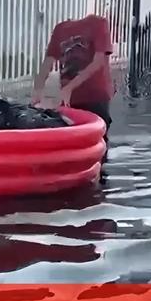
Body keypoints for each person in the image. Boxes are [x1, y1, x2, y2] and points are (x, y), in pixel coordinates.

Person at [31, 14, 114, 181]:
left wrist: (69, 87)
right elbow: (49, 61)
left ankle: (99, 181)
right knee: (74, 145)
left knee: (97, 145)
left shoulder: (98, 23)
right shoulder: (61, 29)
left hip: (95, 95)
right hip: (70, 99)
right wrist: (38, 88)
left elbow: (98, 61)